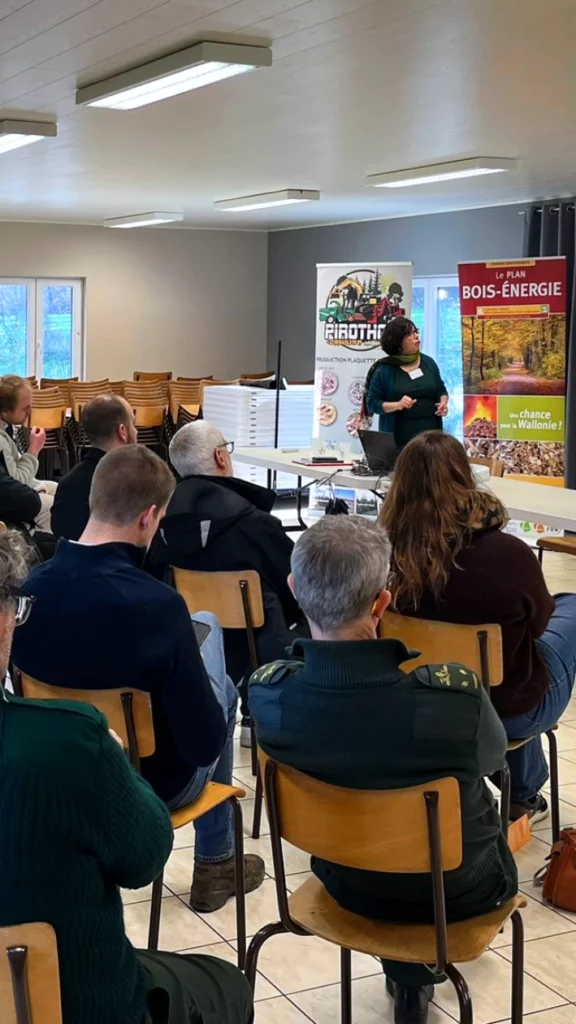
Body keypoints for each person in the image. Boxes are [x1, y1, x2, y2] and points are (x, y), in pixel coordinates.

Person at [250, 515, 517, 1024]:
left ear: (293, 591)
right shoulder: (451, 698)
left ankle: (408, 979)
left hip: (343, 879)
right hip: (458, 894)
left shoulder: (269, 696)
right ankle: (414, 980)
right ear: (381, 602)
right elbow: (493, 760)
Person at [0, 529, 253, 1024]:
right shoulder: (73, 746)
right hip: (86, 1004)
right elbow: (145, 860)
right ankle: (216, 855)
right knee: (230, 986)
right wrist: (115, 767)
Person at [12, 444, 264, 912]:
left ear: (94, 499)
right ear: (149, 518)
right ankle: (216, 860)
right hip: (147, 786)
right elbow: (205, 746)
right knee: (222, 684)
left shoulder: (27, 591)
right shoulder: (157, 605)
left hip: (54, 775)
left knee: (204, 639)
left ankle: (218, 859)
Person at [380, 430, 576, 823]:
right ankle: (521, 792)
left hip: (420, 704)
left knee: (505, 664)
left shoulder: (382, 554)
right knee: (566, 610)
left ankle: (519, 788)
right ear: (465, 478)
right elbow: (537, 627)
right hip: (505, 710)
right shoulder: (509, 554)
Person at [147, 420, 302, 743]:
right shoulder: (255, 523)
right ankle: (256, 715)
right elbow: (296, 583)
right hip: (255, 645)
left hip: (189, 641)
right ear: (220, 457)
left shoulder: (158, 522)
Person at [51, 393, 137, 540]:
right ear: (122, 431)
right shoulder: (132, 484)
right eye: (133, 424)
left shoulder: (66, 484)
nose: (136, 431)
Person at [363, 318, 448, 449]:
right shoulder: (384, 370)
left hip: (431, 439)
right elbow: (372, 404)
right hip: (399, 440)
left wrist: (443, 402)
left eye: (416, 332)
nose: (416, 336)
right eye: (410, 334)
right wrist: (398, 405)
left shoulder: (428, 362)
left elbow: (441, 390)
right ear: (398, 341)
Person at [0, 375, 56, 531]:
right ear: (5, 411)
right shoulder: (1, 440)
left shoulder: (8, 426)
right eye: (25, 408)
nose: (30, 412)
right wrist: (33, 450)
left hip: (25, 485)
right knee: (54, 506)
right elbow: (16, 482)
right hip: (17, 496)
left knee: (61, 489)